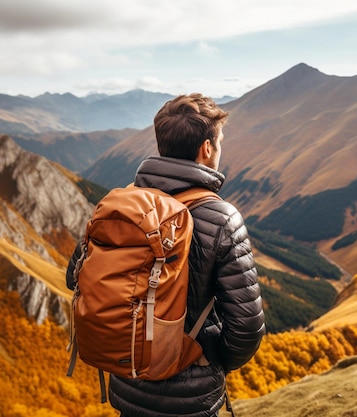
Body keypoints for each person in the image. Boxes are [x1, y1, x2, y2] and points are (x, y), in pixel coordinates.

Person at [67, 93, 265, 416]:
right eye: (220, 142)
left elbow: (73, 278)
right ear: (207, 149)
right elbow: (246, 328)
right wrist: (208, 359)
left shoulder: (123, 204)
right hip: (191, 402)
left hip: (128, 385)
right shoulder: (223, 219)